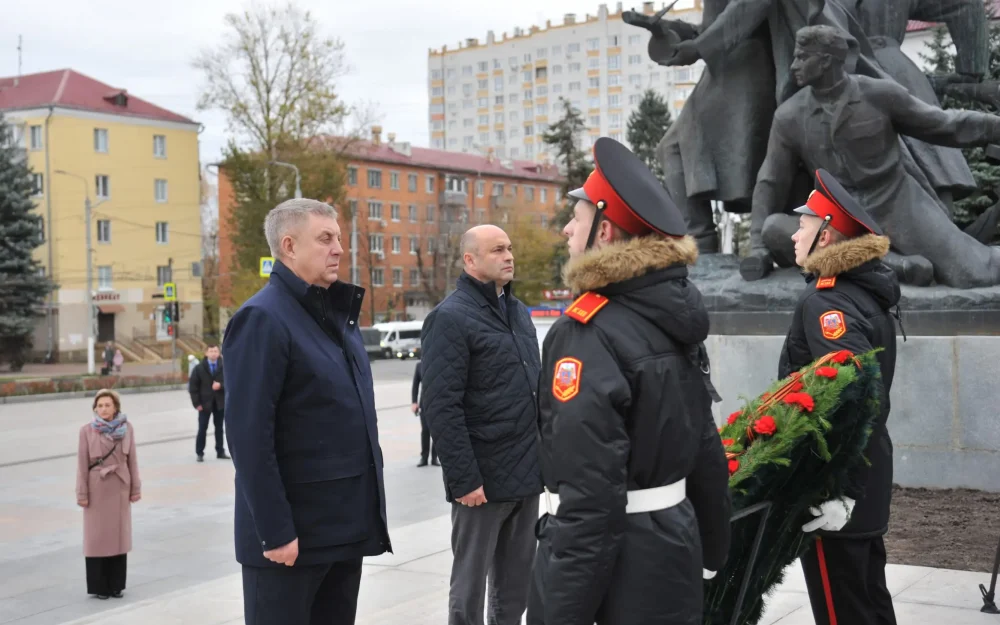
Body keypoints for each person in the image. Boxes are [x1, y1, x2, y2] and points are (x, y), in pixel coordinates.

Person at [526, 137, 731, 625]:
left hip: (618, 568)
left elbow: (590, 492)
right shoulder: (669, 318)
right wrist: (712, 548)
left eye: (576, 218)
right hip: (674, 547)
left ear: (604, 232)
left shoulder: (587, 332)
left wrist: (561, 610)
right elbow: (705, 446)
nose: (567, 230)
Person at [223, 198, 391, 625]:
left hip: (342, 531)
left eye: (339, 238)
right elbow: (249, 437)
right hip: (291, 542)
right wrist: (276, 531)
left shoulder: (335, 317)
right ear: (289, 246)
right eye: (325, 238)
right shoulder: (262, 318)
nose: (339, 249)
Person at [743, 25, 1000, 288]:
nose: (794, 66)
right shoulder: (789, 116)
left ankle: (879, 262)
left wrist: (994, 128)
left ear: (826, 61)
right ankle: (896, 266)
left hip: (896, 202)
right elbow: (771, 180)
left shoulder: (880, 95)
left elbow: (943, 125)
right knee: (774, 228)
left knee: (971, 271)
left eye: (802, 57)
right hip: (838, 215)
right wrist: (758, 247)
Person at [780, 168, 900, 625]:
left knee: (843, 611)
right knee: (869, 601)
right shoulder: (861, 293)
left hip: (835, 486)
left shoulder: (828, 301)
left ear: (826, 236)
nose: (795, 235)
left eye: (803, 226)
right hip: (863, 475)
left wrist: (841, 490)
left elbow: (854, 396)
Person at [420, 224, 542, 625]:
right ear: (470, 260)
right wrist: (464, 479)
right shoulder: (449, 318)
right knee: (469, 591)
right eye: (497, 250)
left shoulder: (518, 312)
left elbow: (533, 391)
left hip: (526, 475)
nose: (509, 256)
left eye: (509, 248)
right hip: (481, 484)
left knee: (514, 589)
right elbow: (441, 406)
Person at [76, 389, 141, 600]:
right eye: (100, 406)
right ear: (95, 409)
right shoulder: (86, 431)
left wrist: (135, 488)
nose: (103, 409)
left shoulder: (127, 429)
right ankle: (99, 586)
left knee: (118, 536)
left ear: (116, 408)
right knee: (97, 537)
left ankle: (116, 585)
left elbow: (132, 460)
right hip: (97, 488)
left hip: (120, 486)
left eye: (108, 405)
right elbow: (81, 465)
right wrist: (82, 493)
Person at [188, 343, 229, 462]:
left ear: (219, 353)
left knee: (219, 428)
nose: (213, 354)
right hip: (204, 404)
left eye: (215, 351)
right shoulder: (199, 368)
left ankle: (220, 451)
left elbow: (230, 382)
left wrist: (220, 385)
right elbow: (193, 387)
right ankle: (199, 452)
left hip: (220, 403)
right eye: (211, 351)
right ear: (206, 353)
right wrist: (197, 404)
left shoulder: (224, 366)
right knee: (202, 428)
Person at [410, 360, 438, 467]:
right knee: (425, 430)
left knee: (436, 431)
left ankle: (435, 458)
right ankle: (424, 457)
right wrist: (414, 402)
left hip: (438, 403)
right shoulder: (419, 365)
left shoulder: (437, 362)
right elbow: (415, 385)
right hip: (424, 403)